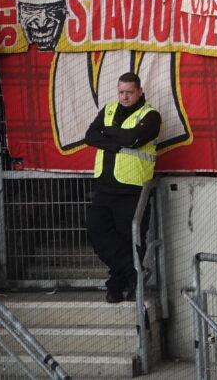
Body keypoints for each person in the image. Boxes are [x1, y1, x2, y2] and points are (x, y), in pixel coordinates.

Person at [83, 72, 161, 303]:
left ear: (140, 92)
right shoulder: (108, 110)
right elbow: (90, 137)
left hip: (132, 188)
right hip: (104, 188)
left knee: (130, 238)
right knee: (97, 231)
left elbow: (132, 139)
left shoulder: (151, 115)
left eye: (129, 92)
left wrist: (109, 132)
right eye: (121, 92)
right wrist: (120, 136)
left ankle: (117, 285)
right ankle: (133, 273)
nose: (124, 97)